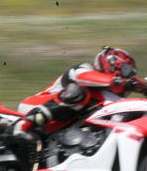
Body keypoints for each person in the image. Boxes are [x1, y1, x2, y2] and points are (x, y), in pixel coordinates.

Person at [12, 46, 147, 143]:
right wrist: (124, 82)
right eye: (126, 70)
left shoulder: (108, 97)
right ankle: (24, 124)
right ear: (110, 62)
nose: (127, 76)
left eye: (130, 75)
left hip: (58, 129)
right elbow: (84, 77)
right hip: (33, 106)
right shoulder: (84, 69)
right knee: (78, 93)